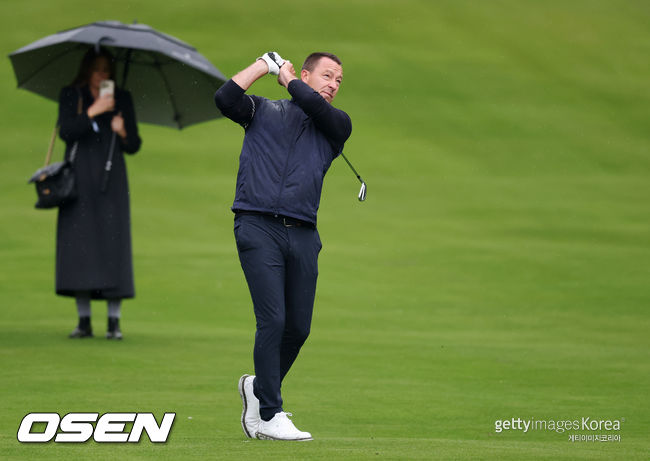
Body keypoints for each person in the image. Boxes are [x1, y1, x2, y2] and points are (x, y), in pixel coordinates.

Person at [214, 51, 351, 441]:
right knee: (272, 320)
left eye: (339, 80)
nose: (333, 84)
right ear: (306, 75)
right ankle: (270, 413)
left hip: (304, 233)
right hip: (257, 225)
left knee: (298, 328)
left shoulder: (337, 124)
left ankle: (258, 389)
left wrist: (287, 79)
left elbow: (312, 106)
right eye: (327, 76)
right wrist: (263, 66)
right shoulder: (262, 111)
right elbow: (225, 98)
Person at [57, 47, 141, 340]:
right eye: (97, 69)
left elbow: (134, 145)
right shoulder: (72, 94)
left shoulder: (122, 98)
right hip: (79, 179)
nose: (101, 75)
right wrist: (93, 111)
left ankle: (114, 322)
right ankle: (83, 321)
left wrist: (122, 131)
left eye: (106, 70)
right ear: (87, 70)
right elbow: (66, 131)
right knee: (80, 245)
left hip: (112, 179)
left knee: (112, 243)